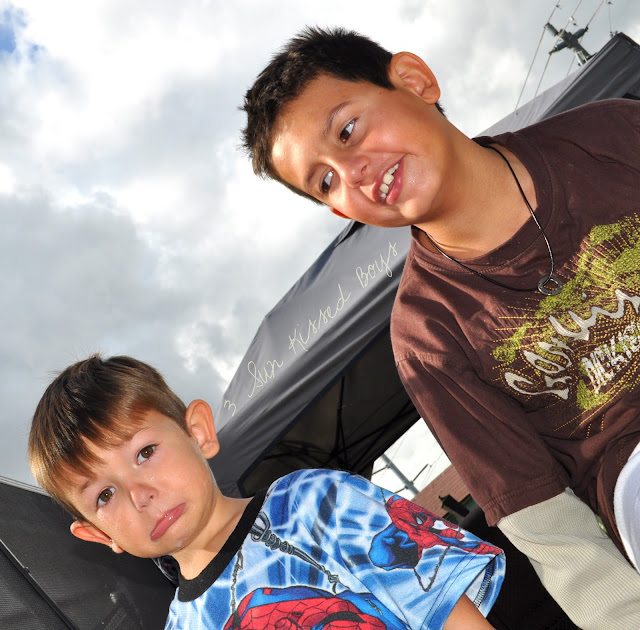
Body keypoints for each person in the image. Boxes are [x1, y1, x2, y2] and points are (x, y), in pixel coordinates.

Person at [240, 26, 640, 628]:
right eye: (325, 181)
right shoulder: (426, 338)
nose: (352, 172)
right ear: (339, 210)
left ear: (415, 81)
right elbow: (548, 525)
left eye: (347, 131)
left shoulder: (611, 137)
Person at [28, 354, 504, 630]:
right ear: (98, 535)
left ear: (198, 432)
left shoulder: (318, 504)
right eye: (104, 496)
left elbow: (451, 616)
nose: (139, 494)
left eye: (145, 452)